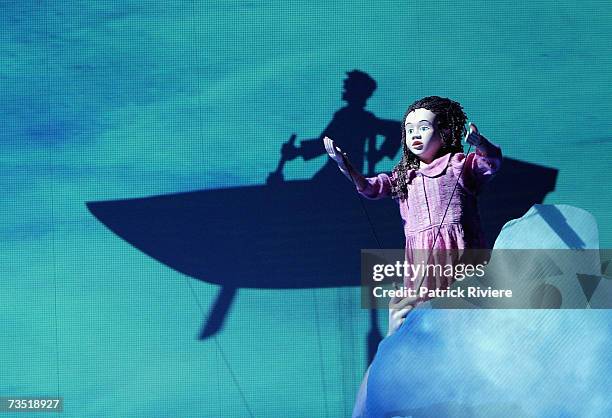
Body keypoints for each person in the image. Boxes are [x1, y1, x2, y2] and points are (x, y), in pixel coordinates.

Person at [324, 95, 502, 417]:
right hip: (422, 264)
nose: (415, 136)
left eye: (423, 128)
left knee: (463, 322)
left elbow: (490, 164)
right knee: (421, 325)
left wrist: (480, 143)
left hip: (459, 255)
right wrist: (345, 166)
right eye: (409, 130)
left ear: (445, 134)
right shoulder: (404, 177)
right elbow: (370, 187)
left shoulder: (459, 166)